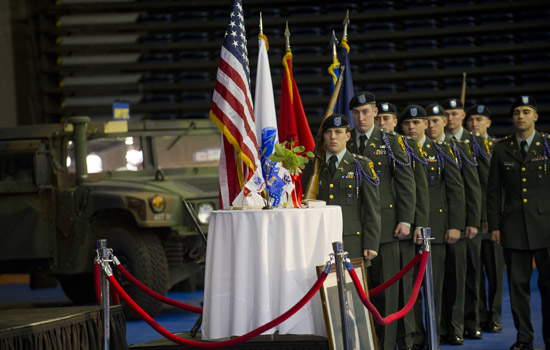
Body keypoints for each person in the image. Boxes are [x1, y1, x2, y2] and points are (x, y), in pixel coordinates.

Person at [347, 92, 416, 350]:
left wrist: (407, 219)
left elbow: (406, 182)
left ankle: (386, 345)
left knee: (387, 292)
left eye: (365, 112)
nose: (361, 117)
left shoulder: (391, 141)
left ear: (375, 113)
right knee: (361, 291)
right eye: (356, 113)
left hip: (387, 227)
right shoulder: (346, 140)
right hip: (355, 227)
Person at [487, 96, 550, 350]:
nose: (520, 116)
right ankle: (524, 339)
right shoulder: (502, 148)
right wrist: (494, 226)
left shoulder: (547, 145)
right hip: (513, 226)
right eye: (516, 112)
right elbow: (493, 191)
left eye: (526, 111)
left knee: (548, 288)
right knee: (517, 288)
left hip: (546, 227)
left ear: (535, 116)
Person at [404, 104, 465, 349]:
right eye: (407, 123)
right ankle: (416, 336)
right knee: (410, 288)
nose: (411, 127)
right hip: (406, 232)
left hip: (436, 230)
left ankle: (436, 334)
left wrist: (456, 225)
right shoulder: (396, 150)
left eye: (417, 123)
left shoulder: (441, 150)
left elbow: (455, 189)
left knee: (434, 287)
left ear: (426, 125)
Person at [376, 101, 430, 350]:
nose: (382, 123)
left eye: (387, 118)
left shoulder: (405, 145)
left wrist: (419, 223)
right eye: (380, 118)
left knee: (406, 288)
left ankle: (409, 340)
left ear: (394, 122)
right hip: (379, 227)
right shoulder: (369, 147)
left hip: (404, 228)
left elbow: (419, 187)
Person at [302, 113, 381, 260]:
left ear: (348, 136)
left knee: (352, 282)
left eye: (338, 132)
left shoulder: (361, 165)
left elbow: (372, 208)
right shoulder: (312, 166)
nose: (333, 137)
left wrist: (371, 243)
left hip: (351, 241)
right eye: (328, 132)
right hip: (318, 239)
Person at [441, 98, 482, 345]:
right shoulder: (434, 144)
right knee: (445, 280)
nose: (451, 119)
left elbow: (472, 187)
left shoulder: (464, 145)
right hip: (437, 223)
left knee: (464, 278)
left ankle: (467, 324)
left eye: (455, 114)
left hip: (461, 222)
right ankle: (447, 326)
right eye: (447, 114)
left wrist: (473, 220)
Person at [465, 104, 504, 334]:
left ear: (488, 123)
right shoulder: (462, 147)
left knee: (496, 272)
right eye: (471, 120)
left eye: (479, 119)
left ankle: (496, 316)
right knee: (474, 272)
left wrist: (493, 216)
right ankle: (479, 315)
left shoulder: (499, 147)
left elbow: (498, 187)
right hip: (474, 219)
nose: (474, 124)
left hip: (494, 220)